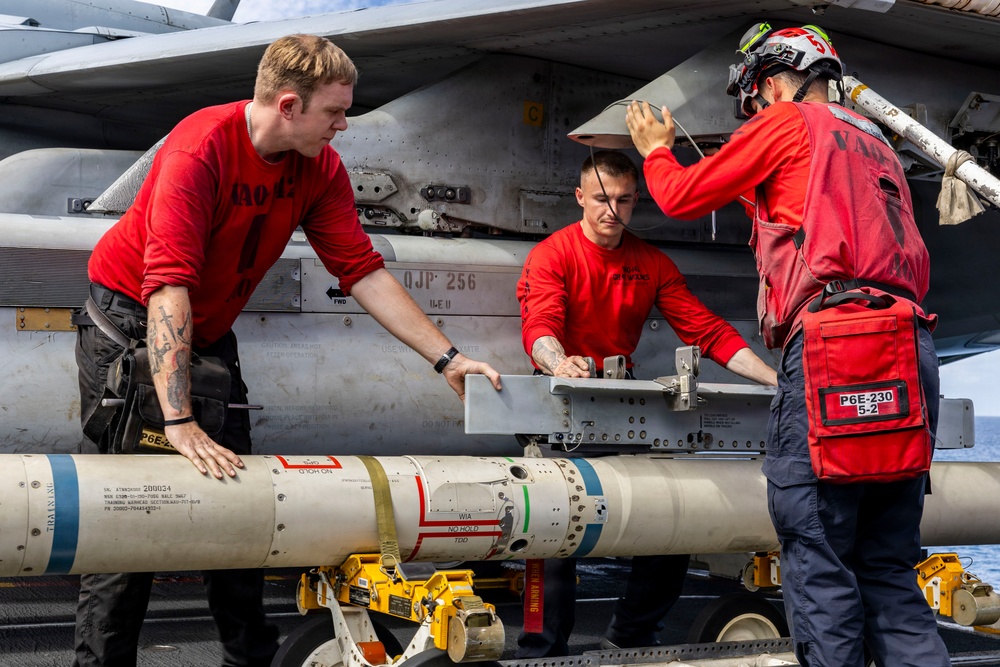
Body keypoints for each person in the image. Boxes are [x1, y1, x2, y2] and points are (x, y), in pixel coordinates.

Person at [73, 34, 502, 667]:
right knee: (130, 525)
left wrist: (449, 359)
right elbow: (167, 287)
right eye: (335, 111)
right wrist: (179, 419)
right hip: (132, 321)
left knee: (241, 514)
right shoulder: (200, 149)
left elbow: (360, 269)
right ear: (290, 105)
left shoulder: (317, 166)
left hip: (208, 329)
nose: (344, 123)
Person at [624, 23, 951, 667]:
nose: (754, 114)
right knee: (886, 562)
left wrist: (658, 149)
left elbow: (680, 194)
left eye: (754, 100)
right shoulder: (876, 141)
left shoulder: (787, 120)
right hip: (909, 349)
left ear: (773, 80)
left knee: (818, 550)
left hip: (837, 348)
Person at [514, 150, 776, 656]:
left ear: (636, 201)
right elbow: (539, 325)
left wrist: (772, 379)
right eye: (600, 199)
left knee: (668, 526)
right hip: (558, 412)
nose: (611, 210)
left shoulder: (650, 262)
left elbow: (707, 330)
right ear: (579, 198)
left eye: (623, 200)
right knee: (554, 538)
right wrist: (558, 362)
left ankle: (631, 639)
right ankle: (540, 653)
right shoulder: (553, 254)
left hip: (623, 412)